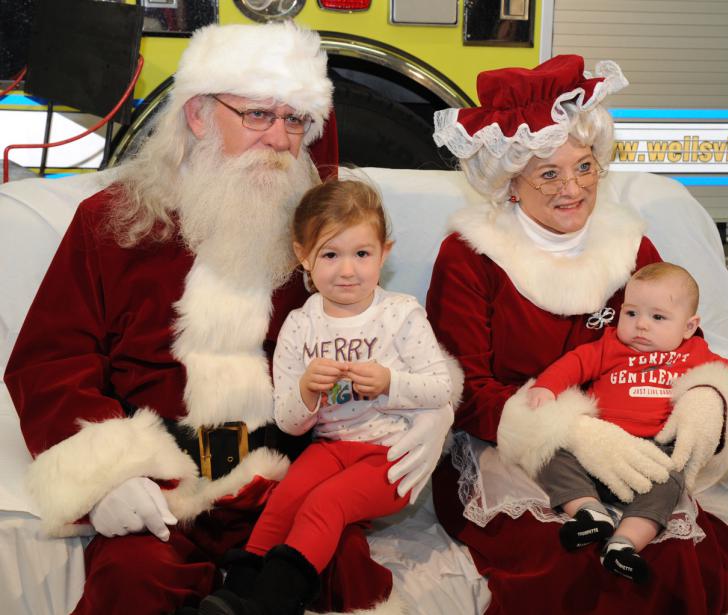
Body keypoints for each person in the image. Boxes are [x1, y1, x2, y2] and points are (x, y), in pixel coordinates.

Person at [3, 22, 451, 615]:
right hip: (161, 485)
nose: (278, 138)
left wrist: (434, 407)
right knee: (134, 585)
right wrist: (104, 477)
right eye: (259, 115)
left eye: (296, 121)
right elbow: (52, 361)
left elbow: (386, 332)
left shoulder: (322, 234)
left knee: (336, 580)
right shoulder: (112, 220)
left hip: (284, 479)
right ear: (197, 115)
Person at [427, 54, 728, 613]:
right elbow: (464, 390)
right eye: (549, 173)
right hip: (512, 444)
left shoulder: (627, 244)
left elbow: (683, 342)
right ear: (511, 182)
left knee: (660, 552)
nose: (573, 189)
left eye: (585, 167)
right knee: (566, 557)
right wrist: (568, 432)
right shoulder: (470, 257)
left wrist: (707, 396)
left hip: (632, 434)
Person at [197, 178, 454, 615]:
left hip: (393, 455)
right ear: (303, 255)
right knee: (285, 499)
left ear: (384, 253)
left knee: (325, 503)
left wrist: (390, 381)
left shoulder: (401, 313)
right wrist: (306, 389)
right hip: (331, 448)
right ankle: (235, 594)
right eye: (331, 255)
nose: (348, 270)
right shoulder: (301, 324)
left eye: (362, 254)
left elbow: (441, 387)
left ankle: (273, 603)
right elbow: (291, 422)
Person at [526, 262, 728, 584]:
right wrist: (545, 387)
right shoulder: (608, 347)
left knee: (670, 482)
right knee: (550, 452)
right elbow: (573, 364)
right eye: (631, 313)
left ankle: (624, 545)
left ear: (688, 326)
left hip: (656, 451)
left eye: (657, 317)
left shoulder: (694, 354)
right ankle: (588, 511)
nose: (641, 326)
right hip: (599, 446)